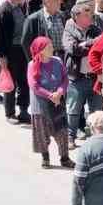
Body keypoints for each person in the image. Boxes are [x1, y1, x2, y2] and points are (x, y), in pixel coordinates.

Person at [62, 0, 103, 140]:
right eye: (86, 15)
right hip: (77, 78)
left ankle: (96, 138)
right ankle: (70, 138)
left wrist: (85, 45)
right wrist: (91, 44)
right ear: (77, 17)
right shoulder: (69, 30)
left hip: (94, 77)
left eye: (90, 14)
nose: (90, 17)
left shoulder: (95, 29)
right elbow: (73, 49)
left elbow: (101, 46)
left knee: (96, 110)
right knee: (73, 110)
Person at [28, 35, 73, 169]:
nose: (52, 48)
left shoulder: (57, 61)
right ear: (41, 50)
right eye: (49, 47)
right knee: (42, 133)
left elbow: (65, 79)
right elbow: (34, 86)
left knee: (62, 131)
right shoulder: (32, 65)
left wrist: (59, 92)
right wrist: (50, 95)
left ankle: (64, 158)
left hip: (57, 102)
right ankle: (45, 157)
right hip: (41, 105)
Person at [0, 0, 32, 123]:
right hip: (10, 51)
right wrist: (1, 56)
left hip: (21, 50)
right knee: (11, 83)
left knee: (24, 81)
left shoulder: (19, 7)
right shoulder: (3, 10)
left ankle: (23, 110)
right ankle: (9, 113)